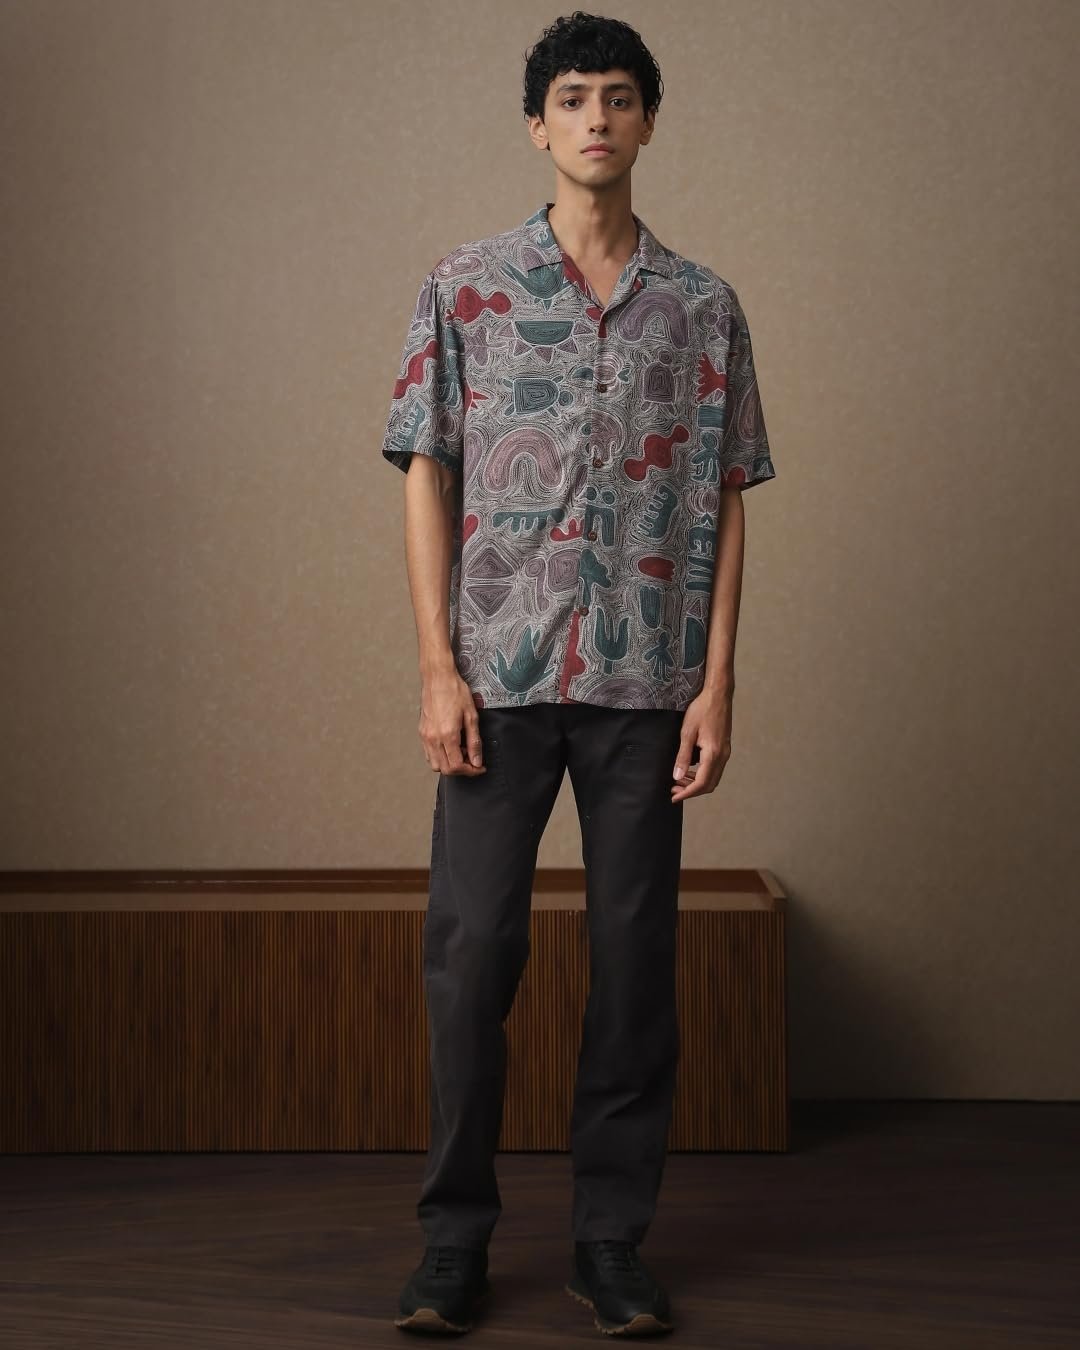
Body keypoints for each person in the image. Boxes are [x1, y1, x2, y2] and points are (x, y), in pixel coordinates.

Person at [381, 10, 776, 1338]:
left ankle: (610, 1242)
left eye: (617, 96)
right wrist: (436, 667)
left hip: (647, 685)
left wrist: (718, 684)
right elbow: (425, 472)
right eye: (571, 97)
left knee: (633, 965)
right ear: (536, 125)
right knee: (471, 956)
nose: (595, 116)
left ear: (648, 121)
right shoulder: (467, 287)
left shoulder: (705, 307)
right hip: (497, 679)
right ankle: (453, 1244)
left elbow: (728, 497)